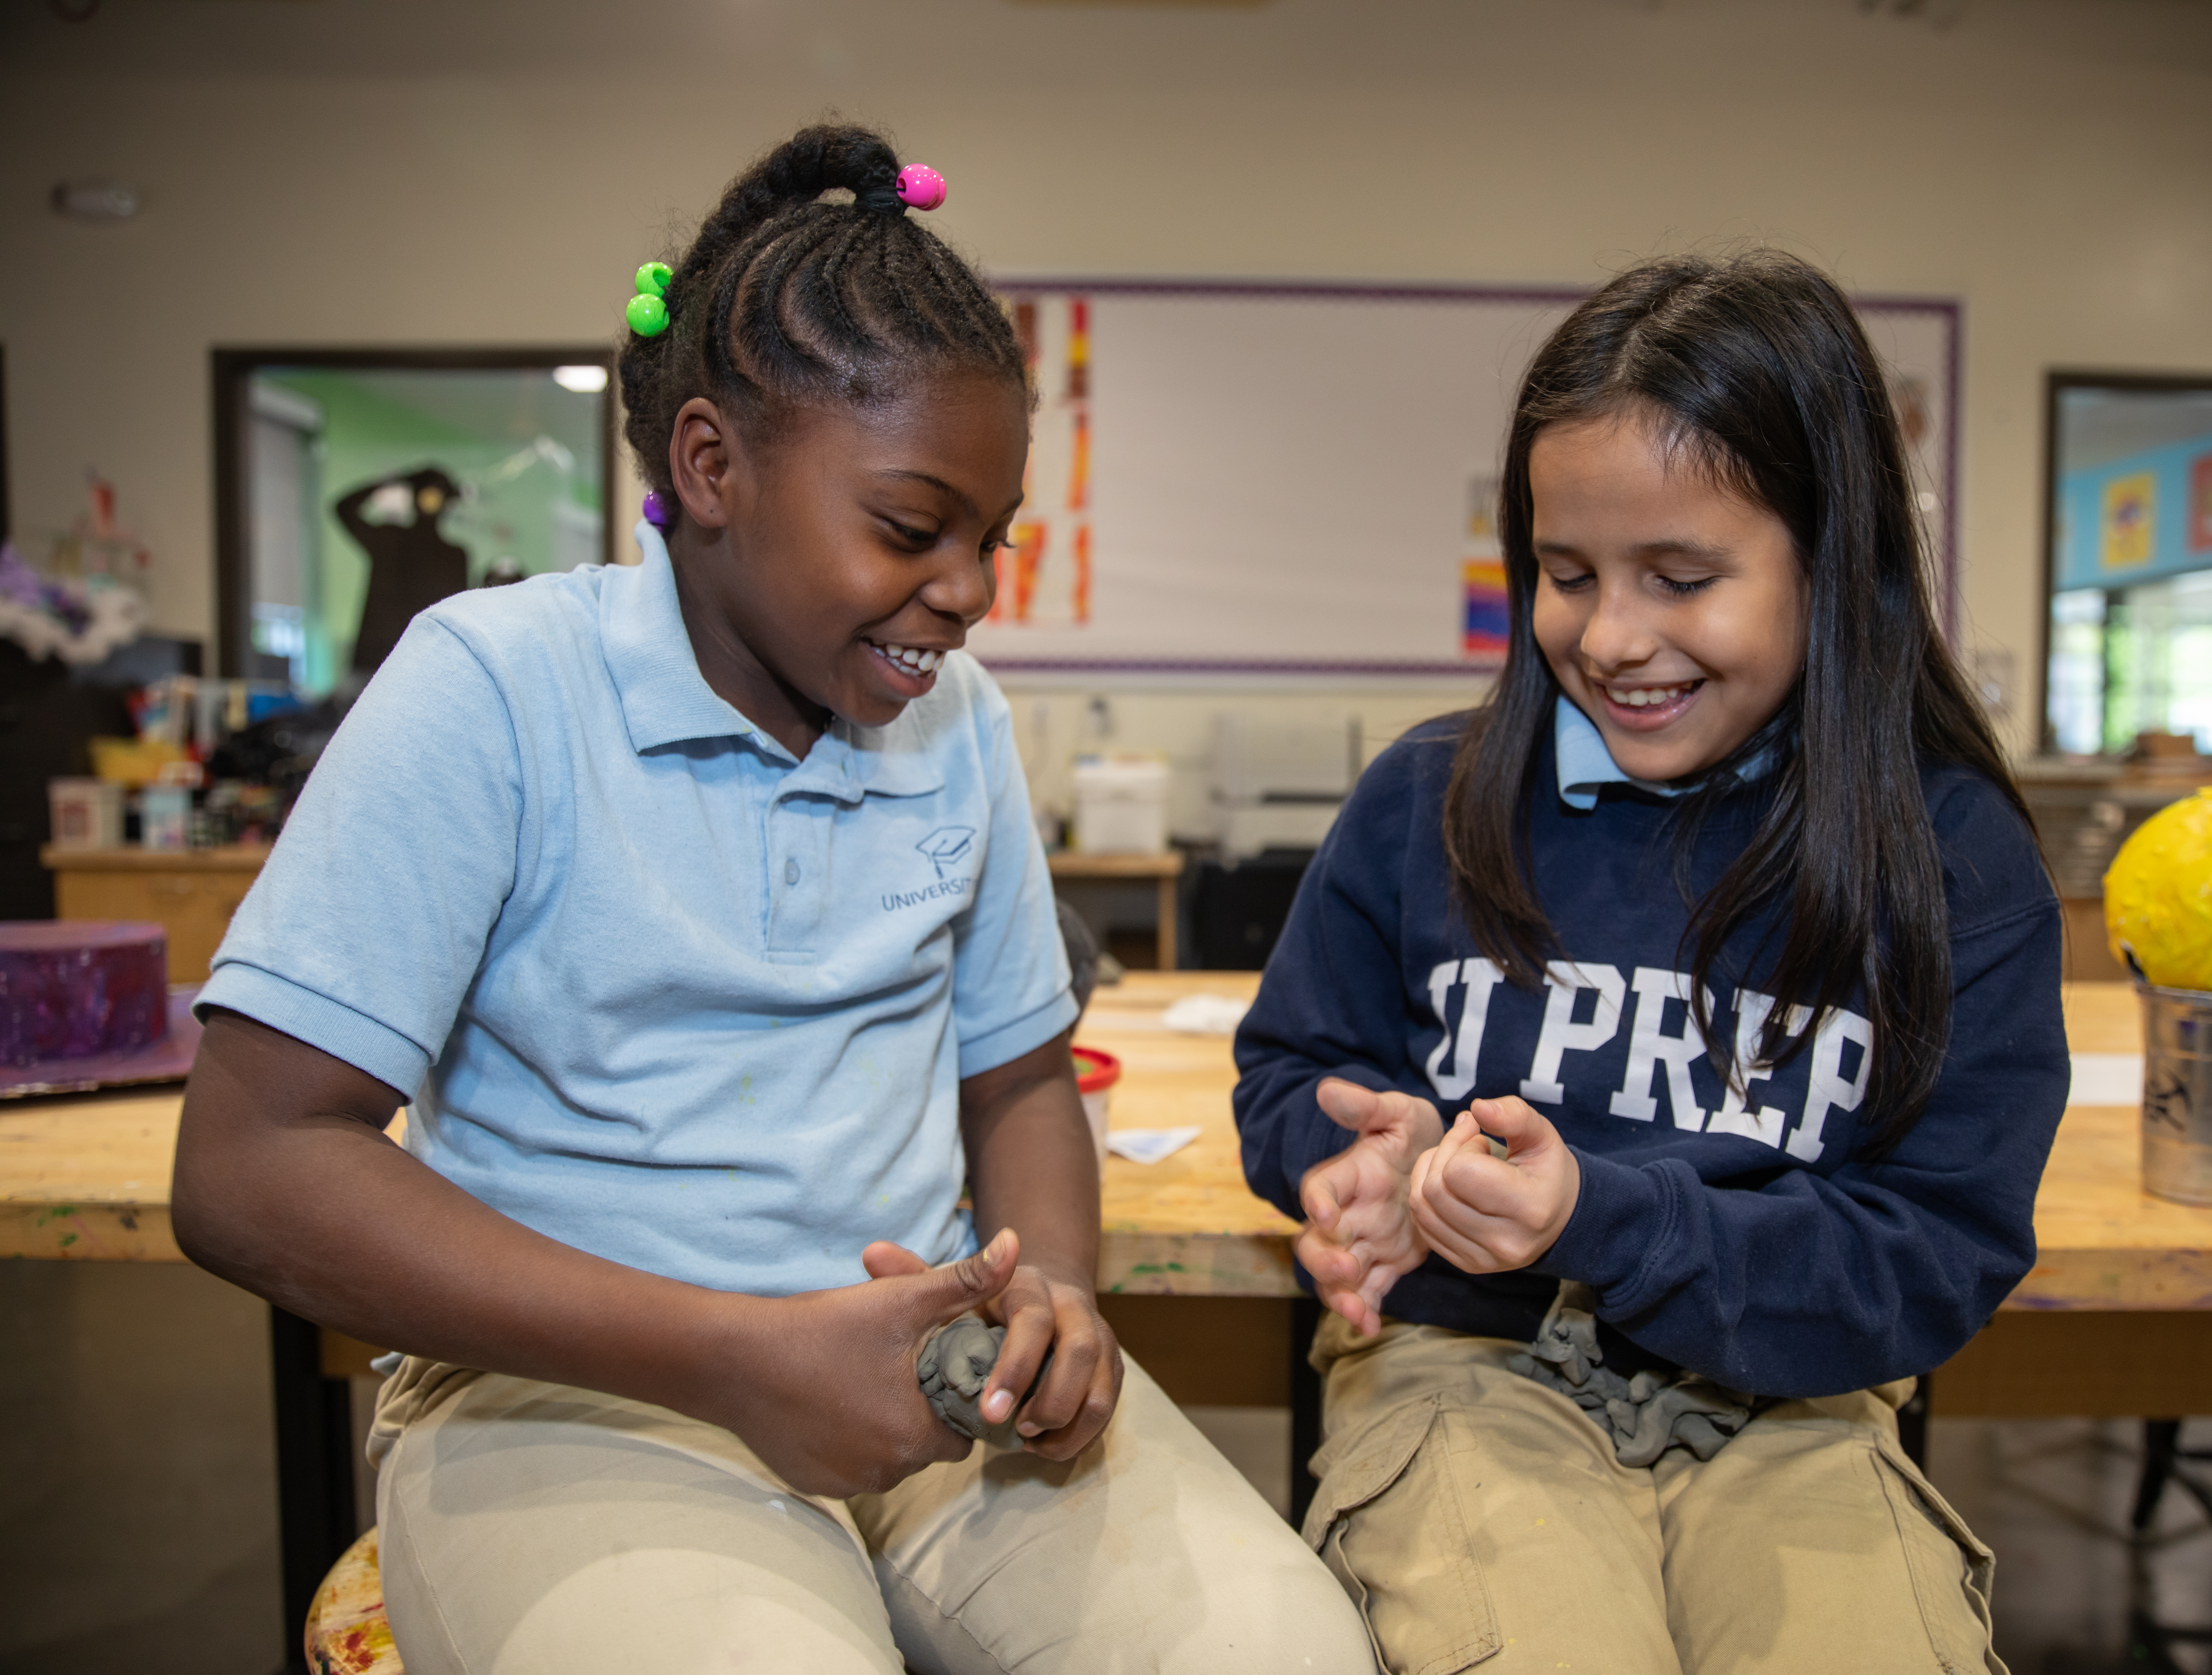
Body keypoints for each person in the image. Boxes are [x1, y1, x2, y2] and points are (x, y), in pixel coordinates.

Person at [174, 123, 1373, 1675]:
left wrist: (1055, 1290)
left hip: (930, 1372)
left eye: (990, 539)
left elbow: (1014, 1078)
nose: (969, 590)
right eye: (908, 526)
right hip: (574, 1396)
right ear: (710, 466)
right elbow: (251, 1164)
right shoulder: (496, 689)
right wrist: (737, 1356)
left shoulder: (961, 723)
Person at [1236, 251, 2068, 1674]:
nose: (1609, 638)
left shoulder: (1946, 849)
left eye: (1679, 578)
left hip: (1794, 1404)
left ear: (1833, 557)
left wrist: (1598, 1219)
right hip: (1468, 1373)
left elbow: (1938, 1252)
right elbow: (1293, 1069)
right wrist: (1353, 1163)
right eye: (1564, 575)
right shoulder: (1422, 800)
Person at [336, 464, 470, 672]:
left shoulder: (392, 539)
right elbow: (343, 509)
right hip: (393, 660)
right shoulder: (391, 539)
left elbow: (344, 508)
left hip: (408, 660)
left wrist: (395, 481)